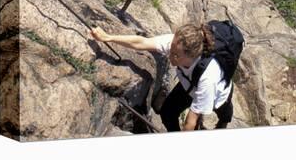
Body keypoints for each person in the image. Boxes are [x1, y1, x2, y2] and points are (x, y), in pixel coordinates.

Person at [90, 23, 234, 132]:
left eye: (176, 55)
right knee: (167, 113)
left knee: (223, 111)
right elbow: (142, 42)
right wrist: (108, 37)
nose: (170, 56)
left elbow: (191, 121)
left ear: (192, 56)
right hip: (189, 84)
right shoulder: (178, 44)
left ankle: (223, 123)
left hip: (218, 94)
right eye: (171, 50)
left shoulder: (209, 78)